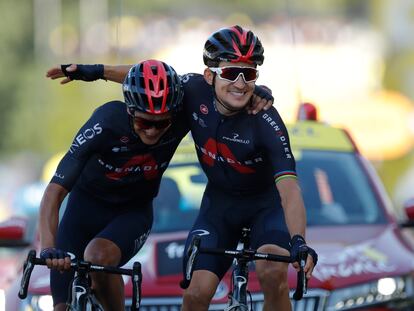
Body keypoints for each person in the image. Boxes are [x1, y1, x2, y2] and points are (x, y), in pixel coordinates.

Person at [46, 25, 317, 311]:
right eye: (230, 72)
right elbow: (150, 79)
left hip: (266, 208)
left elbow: (289, 189)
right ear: (210, 75)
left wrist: (299, 241)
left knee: (271, 271)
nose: (240, 82)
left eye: (248, 74)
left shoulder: (266, 120)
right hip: (220, 207)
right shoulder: (192, 92)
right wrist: (96, 71)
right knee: (196, 295)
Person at [39, 59, 189, 310]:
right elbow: (54, 192)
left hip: (131, 213)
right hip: (83, 211)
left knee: (98, 255)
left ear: (172, 115)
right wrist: (47, 249)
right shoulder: (106, 123)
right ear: (130, 110)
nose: (152, 131)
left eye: (161, 123)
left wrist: (255, 95)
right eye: (144, 122)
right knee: (60, 306)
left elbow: (215, 89)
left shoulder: (179, 114)